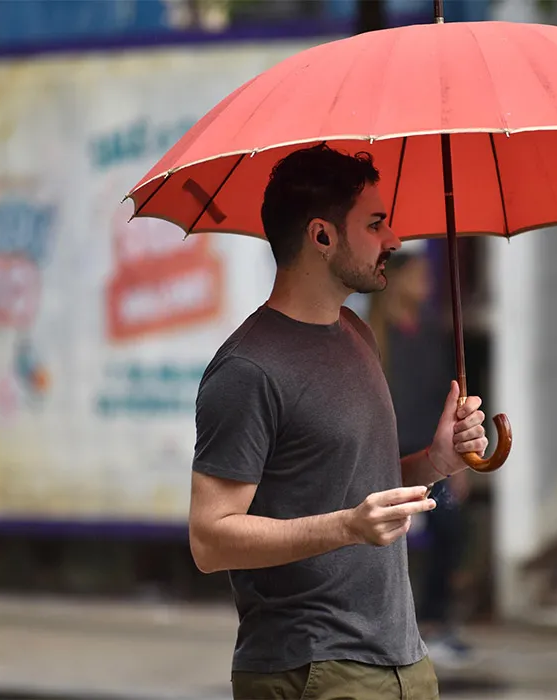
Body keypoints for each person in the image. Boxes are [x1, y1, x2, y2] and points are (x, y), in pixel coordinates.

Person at [187, 143, 491, 700]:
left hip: (401, 659)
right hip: (313, 670)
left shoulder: (356, 334)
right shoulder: (248, 370)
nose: (395, 240)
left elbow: (353, 489)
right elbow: (211, 539)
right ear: (322, 237)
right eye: (376, 224)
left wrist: (435, 461)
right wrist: (346, 527)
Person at [366, 244, 476, 670]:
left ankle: (434, 619)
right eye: (417, 276)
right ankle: (389, 624)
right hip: (390, 454)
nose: (426, 285)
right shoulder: (374, 334)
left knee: (451, 526)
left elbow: (440, 394)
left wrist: (457, 457)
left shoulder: (431, 331)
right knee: (388, 538)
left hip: (433, 454)